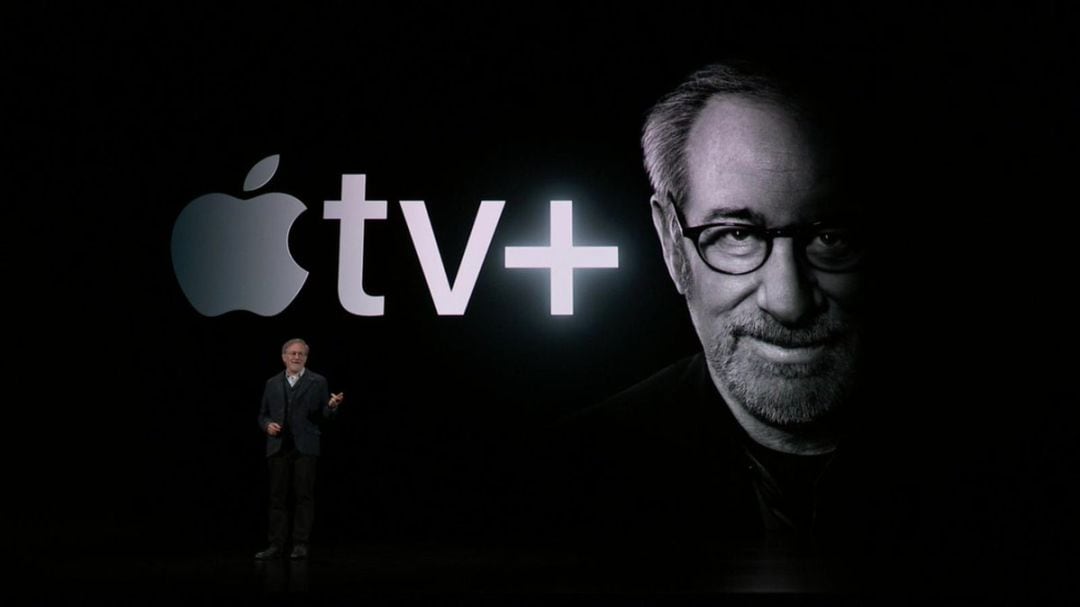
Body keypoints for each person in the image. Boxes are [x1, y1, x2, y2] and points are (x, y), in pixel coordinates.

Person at [535, 62, 921, 592]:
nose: (788, 302)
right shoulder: (566, 481)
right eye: (736, 234)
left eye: (830, 235)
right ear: (672, 245)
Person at [255, 338, 344, 560]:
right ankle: (276, 545)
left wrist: (331, 407)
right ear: (284, 357)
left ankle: (300, 544)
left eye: (301, 354)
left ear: (306, 357)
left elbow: (323, 414)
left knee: (304, 496)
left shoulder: (318, 381)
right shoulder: (272, 383)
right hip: (278, 447)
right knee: (277, 498)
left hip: (305, 446)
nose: (296, 357)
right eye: (292, 353)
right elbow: (262, 414)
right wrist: (267, 425)